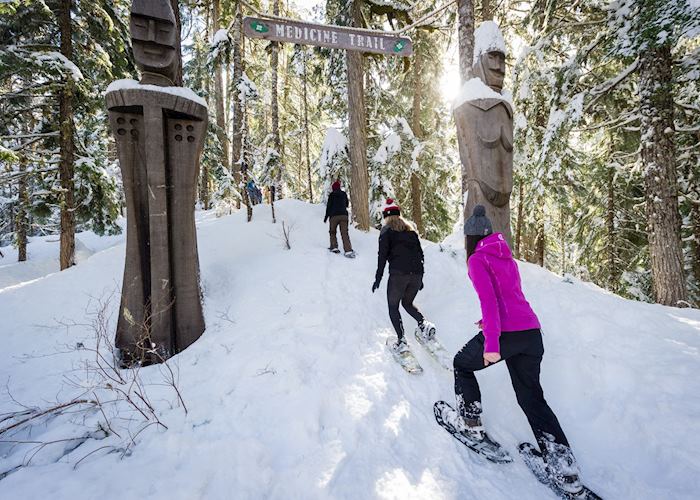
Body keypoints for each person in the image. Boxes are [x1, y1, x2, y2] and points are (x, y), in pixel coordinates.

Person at [442, 204, 582, 494]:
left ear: (470, 238)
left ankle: (470, 423)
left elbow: (491, 302)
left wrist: (492, 343)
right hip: (531, 334)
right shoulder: (507, 257)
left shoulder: (477, 260)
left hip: (507, 335)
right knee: (532, 398)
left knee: (461, 363)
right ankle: (565, 471)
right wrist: (487, 324)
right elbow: (510, 298)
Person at [372, 198, 435, 354]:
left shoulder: (386, 232)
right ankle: (424, 324)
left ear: (386, 216)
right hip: (416, 274)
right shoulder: (411, 232)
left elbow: (382, 256)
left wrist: (378, 277)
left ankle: (401, 340)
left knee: (393, 306)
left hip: (399, 275)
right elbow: (420, 255)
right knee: (407, 303)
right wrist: (420, 278)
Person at [324, 180, 355, 258]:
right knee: (344, 233)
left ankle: (334, 247)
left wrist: (326, 217)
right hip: (344, 216)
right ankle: (348, 250)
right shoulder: (343, 194)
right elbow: (347, 204)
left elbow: (329, 207)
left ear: (333, 188)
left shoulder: (331, 195)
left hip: (334, 216)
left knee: (332, 232)